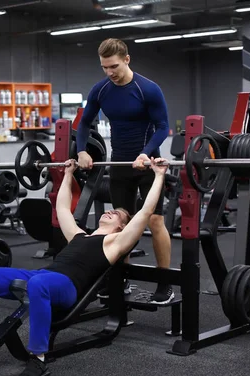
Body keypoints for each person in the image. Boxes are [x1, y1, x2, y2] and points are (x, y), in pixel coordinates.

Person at [0, 157, 168, 376]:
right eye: (109, 210)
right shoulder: (78, 235)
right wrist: (68, 175)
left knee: (38, 285)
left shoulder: (115, 242)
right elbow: (62, 208)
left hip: (66, 287)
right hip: (41, 275)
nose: (110, 212)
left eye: (116, 214)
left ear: (122, 226)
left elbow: (146, 212)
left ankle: (37, 358)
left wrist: (158, 175)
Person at [75, 38, 174, 304]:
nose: (110, 72)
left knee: (154, 221)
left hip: (147, 164)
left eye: (114, 66)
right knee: (121, 224)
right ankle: (121, 279)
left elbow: (163, 126)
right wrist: (82, 151)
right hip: (119, 164)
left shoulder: (147, 89)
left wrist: (147, 152)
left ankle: (164, 283)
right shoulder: (101, 90)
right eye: (105, 67)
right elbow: (84, 124)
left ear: (127, 60)